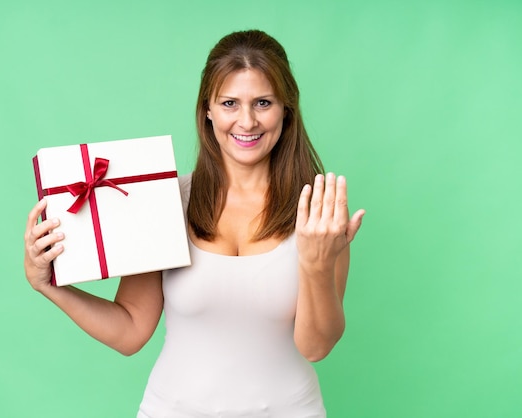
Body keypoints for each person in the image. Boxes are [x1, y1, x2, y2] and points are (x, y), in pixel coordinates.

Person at [24, 29, 365, 417]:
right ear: (208, 109)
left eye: (263, 103)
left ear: (286, 109)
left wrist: (318, 264)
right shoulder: (166, 200)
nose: (247, 121)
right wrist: (48, 284)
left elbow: (316, 346)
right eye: (230, 103)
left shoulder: (317, 213)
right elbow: (131, 329)